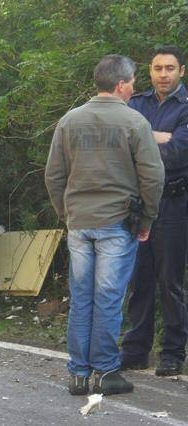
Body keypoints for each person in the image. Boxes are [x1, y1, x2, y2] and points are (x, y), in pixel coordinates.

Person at [45, 55, 164, 395]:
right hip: (117, 222)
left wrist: (67, 214)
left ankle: (79, 375)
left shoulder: (70, 121)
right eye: (133, 82)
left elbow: (54, 175)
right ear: (122, 84)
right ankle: (107, 371)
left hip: (80, 222)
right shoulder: (134, 122)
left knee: (81, 299)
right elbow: (152, 176)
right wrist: (147, 219)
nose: (135, 87)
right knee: (108, 298)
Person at [120, 45, 188, 376]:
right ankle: (135, 350)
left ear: (181, 72)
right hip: (138, 204)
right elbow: (119, 146)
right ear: (149, 71)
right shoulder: (136, 103)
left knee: (170, 280)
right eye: (158, 68)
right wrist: (158, 137)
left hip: (175, 203)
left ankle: (173, 352)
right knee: (139, 278)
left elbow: (178, 154)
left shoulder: (187, 107)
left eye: (170, 68)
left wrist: (143, 140)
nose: (164, 74)